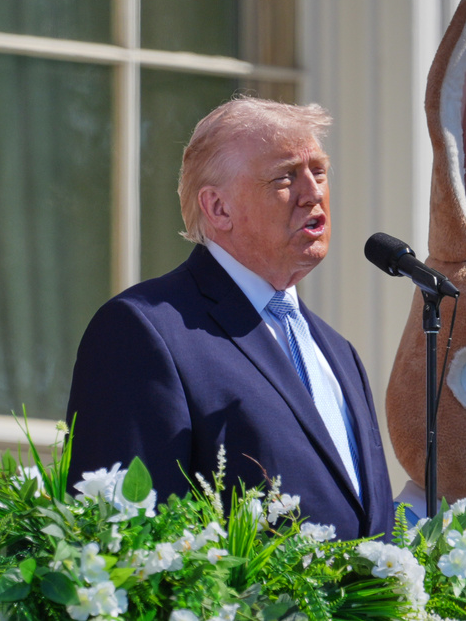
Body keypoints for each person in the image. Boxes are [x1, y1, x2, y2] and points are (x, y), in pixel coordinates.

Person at [67, 97, 394, 541]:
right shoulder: (147, 330)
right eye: (284, 177)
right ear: (218, 209)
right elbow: (125, 543)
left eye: (318, 171)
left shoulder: (339, 353)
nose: (312, 193)